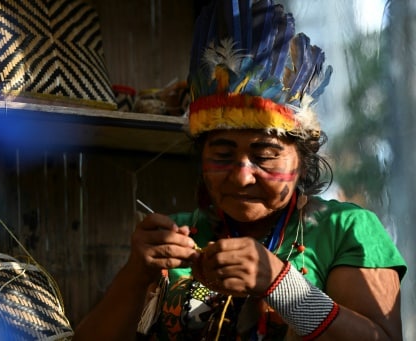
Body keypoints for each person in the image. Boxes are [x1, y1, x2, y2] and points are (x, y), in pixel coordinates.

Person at [74, 0, 407, 340]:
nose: (241, 175)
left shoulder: (345, 230)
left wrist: (279, 282)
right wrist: (135, 274)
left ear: (303, 159)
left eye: (264, 155)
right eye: (222, 153)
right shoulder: (179, 237)